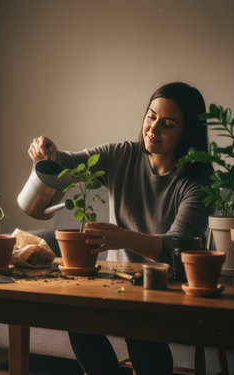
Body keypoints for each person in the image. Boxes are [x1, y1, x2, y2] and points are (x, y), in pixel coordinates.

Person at [27, 82, 214, 375]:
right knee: (78, 321)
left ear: (186, 131)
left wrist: (124, 238)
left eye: (167, 124)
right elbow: (70, 164)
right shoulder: (122, 155)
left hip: (170, 289)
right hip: (118, 286)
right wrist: (48, 153)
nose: (153, 129)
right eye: (151, 116)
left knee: (142, 335)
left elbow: (179, 246)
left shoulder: (198, 180)